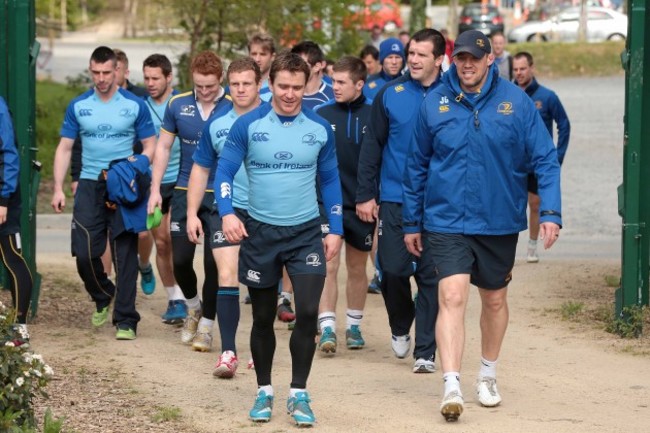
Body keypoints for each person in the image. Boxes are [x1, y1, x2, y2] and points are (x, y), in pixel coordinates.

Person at [402, 30, 562, 422]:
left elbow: (545, 159)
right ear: (452, 60)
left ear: (491, 59)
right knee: (452, 297)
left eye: (476, 57)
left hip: (497, 219)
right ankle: (452, 383)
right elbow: (416, 165)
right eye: (461, 58)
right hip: (446, 218)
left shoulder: (516, 102)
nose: (468, 64)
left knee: (493, 300)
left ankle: (487, 374)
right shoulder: (435, 102)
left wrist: (551, 213)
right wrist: (411, 221)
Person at [215, 52, 343, 426]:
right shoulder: (249, 125)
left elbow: (331, 181)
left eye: (296, 88)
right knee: (262, 317)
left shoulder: (318, 129)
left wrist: (334, 228)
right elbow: (224, 170)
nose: (289, 94)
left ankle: (299, 392)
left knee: (306, 314)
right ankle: (265, 390)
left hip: (305, 233)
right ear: (271, 85)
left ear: (307, 86)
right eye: (283, 86)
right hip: (261, 233)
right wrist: (226, 212)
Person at [51, 46, 156, 340]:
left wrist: (141, 163)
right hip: (89, 183)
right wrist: (58, 187)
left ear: (118, 70)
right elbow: (65, 147)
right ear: (90, 71)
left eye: (106, 72)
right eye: (95, 73)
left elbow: (151, 144)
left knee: (125, 252)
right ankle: (102, 294)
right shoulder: (79, 105)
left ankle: (126, 319)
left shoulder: (135, 104)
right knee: (84, 252)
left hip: (123, 183)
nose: (101, 78)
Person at [356, 28, 445, 373]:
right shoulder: (390, 94)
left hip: (439, 203)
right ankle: (400, 322)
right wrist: (366, 194)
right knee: (391, 270)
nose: (414, 60)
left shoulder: (454, 95)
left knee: (431, 276)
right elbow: (372, 147)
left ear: (439, 58)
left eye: (423, 54)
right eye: (412, 53)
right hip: (394, 198)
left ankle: (425, 350)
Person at [148, 50, 232, 351]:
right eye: (199, 86)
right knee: (181, 259)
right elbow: (164, 148)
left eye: (210, 85)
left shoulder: (234, 105)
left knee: (214, 264)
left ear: (220, 79)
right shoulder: (178, 104)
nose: (205, 91)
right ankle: (194, 306)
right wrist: (156, 189)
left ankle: (207, 325)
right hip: (185, 190)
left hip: (222, 193)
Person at [186, 57, 263, 378]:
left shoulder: (275, 118)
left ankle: (261, 349)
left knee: (261, 281)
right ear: (228, 86)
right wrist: (192, 213)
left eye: (247, 83)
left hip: (266, 212)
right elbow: (201, 169)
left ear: (259, 84)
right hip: (226, 210)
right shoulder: (217, 125)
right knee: (227, 274)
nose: (241, 89)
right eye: (236, 84)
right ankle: (228, 352)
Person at [313, 56, 374, 353]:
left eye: (340, 82)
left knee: (357, 266)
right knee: (328, 263)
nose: (333, 86)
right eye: (332, 80)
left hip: (361, 205)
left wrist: (371, 197)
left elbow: (380, 162)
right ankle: (327, 327)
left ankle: (353, 326)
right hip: (327, 204)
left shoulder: (376, 115)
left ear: (359, 84)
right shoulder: (320, 114)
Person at [141, 53, 188, 323]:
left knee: (177, 242)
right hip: (154, 184)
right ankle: (174, 299)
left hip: (181, 182)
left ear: (169, 78)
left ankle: (187, 294)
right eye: (146, 78)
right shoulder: (141, 107)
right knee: (161, 242)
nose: (150, 83)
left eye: (155, 78)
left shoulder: (183, 105)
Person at [513, 51, 570, 263]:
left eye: (523, 69)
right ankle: (504, 246)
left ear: (532, 68)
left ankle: (532, 245)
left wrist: (558, 156)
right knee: (511, 203)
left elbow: (564, 125)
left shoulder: (547, 96)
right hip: (514, 164)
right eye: (516, 69)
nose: (519, 73)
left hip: (536, 163)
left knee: (535, 204)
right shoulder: (508, 95)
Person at [0, 96, 34, 343]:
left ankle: (20, 327)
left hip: (4, 196)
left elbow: (9, 153)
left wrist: (3, 199)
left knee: (12, 257)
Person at [290, 41, 334, 110]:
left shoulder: (333, 96)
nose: (295, 68)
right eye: (292, 64)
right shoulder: (286, 94)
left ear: (317, 67)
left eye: (301, 64)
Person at [248, 33, 276, 102]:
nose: (257, 59)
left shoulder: (279, 89)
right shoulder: (237, 88)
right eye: (254, 54)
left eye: (263, 54)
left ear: (272, 57)